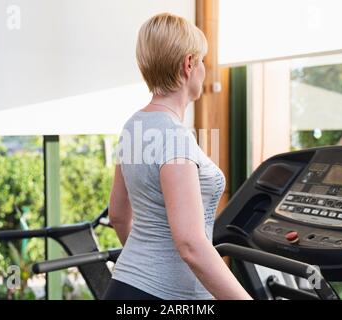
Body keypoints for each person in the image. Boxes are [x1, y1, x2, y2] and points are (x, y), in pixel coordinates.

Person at [103, 13, 252, 300]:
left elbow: (119, 216)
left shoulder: (134, 126)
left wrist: (144, 267)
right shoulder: (175, 139)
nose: (205, 69)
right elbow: (191, 245)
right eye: (203, 61)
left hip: (124, 286)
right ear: (188, 64)